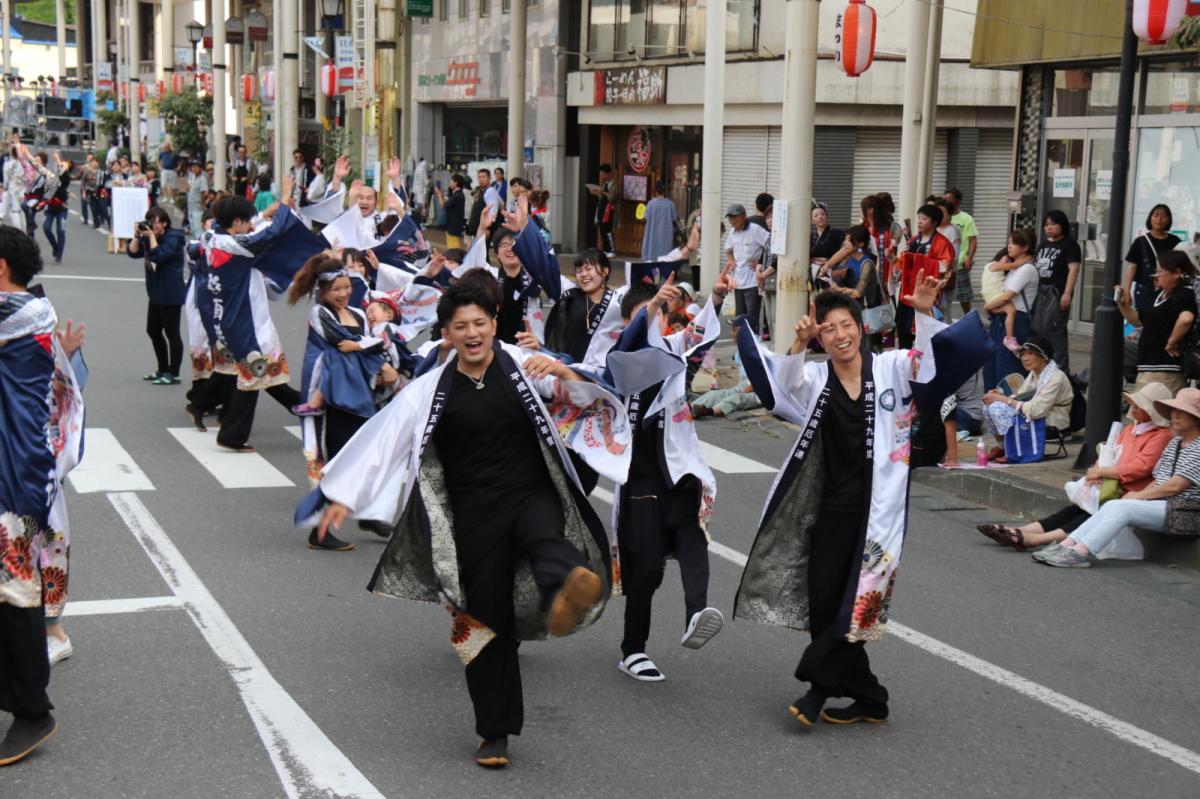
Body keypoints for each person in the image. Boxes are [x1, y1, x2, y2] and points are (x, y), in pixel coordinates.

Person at [300, 279, 630, 768]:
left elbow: (582, 402)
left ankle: (567, 587)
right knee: (482, 620)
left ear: (495, 325)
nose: (472, 333)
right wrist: (343, 495)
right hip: (473, 514)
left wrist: (561, 369)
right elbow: (383, 441)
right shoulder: (430, 390)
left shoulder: (522, 367)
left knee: (544, 536)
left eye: (480, 323)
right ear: (448, 335)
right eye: (461, 326)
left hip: (529, 493)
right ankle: (494, 732)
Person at [734, 273, 991, 728]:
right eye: (828, 329)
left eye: (845, 325)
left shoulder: (891, 366)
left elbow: (932, 368)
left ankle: (817, 689)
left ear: (860, 327)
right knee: (824, 600)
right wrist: (799, 346)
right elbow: (780, 392)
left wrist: (927, 314)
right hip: (829, 508)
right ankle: (871, 698)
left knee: (857, 601)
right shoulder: (816, 377)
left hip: (879, 512)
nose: (839, 335)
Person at [602, 274, 733, 681]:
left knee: (692, 534)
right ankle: (633, 649)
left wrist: (716, 295)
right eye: (645, 316)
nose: (653, 322)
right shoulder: (617, 357)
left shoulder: (674, 349)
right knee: (646, 567)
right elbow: (621, 358)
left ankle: (697, 612)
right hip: (639, 475)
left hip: (678, 468)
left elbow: (700, 337)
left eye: (658, 315)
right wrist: (651, 308)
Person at [0, 225, 87, 766]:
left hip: (10, 482)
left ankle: (32, 711)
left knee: (16, 598)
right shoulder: (28, 318)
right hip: (15, 474)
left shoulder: (17, 321)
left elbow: (38, 416)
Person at [978, 382, 1173, 551]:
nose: (1133, 408)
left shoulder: (1161, 436)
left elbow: (1140, 468)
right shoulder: (1130, 429)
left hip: (1129, 489)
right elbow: (1111, 453)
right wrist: (1097, 472)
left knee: (1088, 513)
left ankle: (1035, 538)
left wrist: (1099, 472)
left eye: (1139, 405)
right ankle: (1022, 531)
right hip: (1111, 484)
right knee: (1074, 509)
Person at [288, 255, 398, 550]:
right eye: (336, 288)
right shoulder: (319, 314)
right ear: (322, 289)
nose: (343, 293)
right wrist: (370, 347)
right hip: (325, 390)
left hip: (356, 390)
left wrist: (372, 352)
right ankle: (319, 530)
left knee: (362, 453)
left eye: (347, 286)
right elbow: (342, 343)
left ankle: (366, 512)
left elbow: (371, 344)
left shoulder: (357, 314)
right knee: (327, 457)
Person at [202, 188, 324, 451]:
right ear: (236, 223)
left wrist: (261, 215)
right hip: (245, 322)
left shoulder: (211, 236)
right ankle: (231, 435)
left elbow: (250, 232)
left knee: (261, 373)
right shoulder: (237, 245)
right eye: (245, 220)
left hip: (225, 319)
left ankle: (301, 405)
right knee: (255, 375)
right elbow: (270, 234)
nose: (249, 225)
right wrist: (283, 205)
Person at [1036, 387, 1200, 568]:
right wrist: (1140, 497)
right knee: (1115, 504)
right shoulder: (1176, 442)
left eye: (1182, 412)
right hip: (1167, 507)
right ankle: (1067, 545)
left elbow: (1175, 486)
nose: (1174, 416)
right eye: (1174, 411)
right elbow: (1159, 480)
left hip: (1186, 512)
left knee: (1123, 508)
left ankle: (1079, 552)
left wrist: (1138, 496)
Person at [1116, 249, 1196, 394]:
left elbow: (1186, 318)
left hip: (1165, 370)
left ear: (1177, 272)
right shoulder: (1161, 294)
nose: (1156, 276)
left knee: (1150, 415)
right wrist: (1123, 304)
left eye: (1160, 272)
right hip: (1148, 367)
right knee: (1143, 414)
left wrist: (1172, 341)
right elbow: (1138, 321)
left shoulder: (1184, 292)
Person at [980, 338, 1073, 462]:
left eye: (1030, 354)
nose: (1025, 358)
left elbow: (1036, 411)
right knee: (989, 405)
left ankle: (1014, 452)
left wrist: (1002, 399)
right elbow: (1021, 395)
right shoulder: (1035, 372)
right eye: (1023, 354)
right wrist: (999, 396)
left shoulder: (1056, 378)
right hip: (1039, 410)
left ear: (1043, 357)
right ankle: (1003, 448)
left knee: (999, 408)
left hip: (1054, 416)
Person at [533, 248, 624, 369]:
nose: (583, 274)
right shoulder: (569, 292)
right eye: (579, 271)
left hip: (599, 374)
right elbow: (545, 267)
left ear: (605, 271)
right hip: (567, 370)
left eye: (588, 269)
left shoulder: (618, 300)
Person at [127, 207, 187, 385]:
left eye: (155, 222)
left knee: (172, 333)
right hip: (155, 292)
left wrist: (151, 236)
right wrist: (137, 236)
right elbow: (132, 252)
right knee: (152, 330)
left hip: (170, 292)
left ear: (165, 223)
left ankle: (174, 373)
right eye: (149, 221)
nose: (152, 225)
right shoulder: (149, 236)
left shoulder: (174, 238)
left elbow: (159, 256)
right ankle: (162, 369)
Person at [981, 230, 1039, 388]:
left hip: (1016, 322)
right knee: (991, 367)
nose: (1009, 246)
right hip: (1001, 319)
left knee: (1007, 369)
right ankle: (992, 407)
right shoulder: (1013, 268)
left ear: (1025, 247)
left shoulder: (1027, 269)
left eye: (1013, 243)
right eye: (1009, 242)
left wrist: (987, 307)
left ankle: (1008, 408)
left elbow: (1007, 296)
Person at [895, 204, 955, 348]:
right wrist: (897, 258)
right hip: (907, 292)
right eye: (919, 218)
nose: (920, 221)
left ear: (934, 222)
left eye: (924, 218)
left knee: (925, 334)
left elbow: (945, 267)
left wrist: (920, 260)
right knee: (904, 330)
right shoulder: (913, 240)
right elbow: (902, 263)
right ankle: (905, 362)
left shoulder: (943, 243)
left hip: (926, 294)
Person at [1031, 209, 1081, 372]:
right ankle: (1041, 370)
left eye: (1053, 224)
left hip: (1057, 294)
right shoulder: (1043, 244)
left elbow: (1073, 270)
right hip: (1040, 294)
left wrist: (1067, 293)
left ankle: (1061, 373)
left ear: (1062, 225)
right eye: (1046, 225)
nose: (1049, 228)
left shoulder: (1070, 245)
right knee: (1038, 331)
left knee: (1055, 333)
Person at [1124, 203, 1182, 319]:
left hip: (1168, 289)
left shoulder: (1175, 241)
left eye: (1164, 216)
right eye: (1156, 215)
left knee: (1165, 321)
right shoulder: (1140, 241)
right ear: (1150, 218)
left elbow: (1180, 266)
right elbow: (1132, 267)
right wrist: (1127, 291)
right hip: (1145, 288)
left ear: (1169, 220)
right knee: (1144, 320)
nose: (1159, 219)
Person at [723, 203, 771, 335]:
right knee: (739, 317)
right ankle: (741, 347)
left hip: (753, 281)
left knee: (751, 317)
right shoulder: (732, 232)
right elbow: (728, 249)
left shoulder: (755, 230)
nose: (732, 221)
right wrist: (731, 260)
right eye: (730, 218)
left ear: (743, 217)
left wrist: (760, 262)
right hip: (738, 280)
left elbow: (770, 245)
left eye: (735, 217)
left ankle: (753, 345)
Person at [938, 371, 985, 468]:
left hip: (968, 417)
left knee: (938, 411)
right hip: (975, 418)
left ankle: (950, 457)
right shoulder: (974, 366)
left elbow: (947, 400)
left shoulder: (960, 371)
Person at [944, 188, 979, 316]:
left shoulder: (966, 219)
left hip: (960, 263)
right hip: (944, 263)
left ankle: (969, 317)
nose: (947, 202)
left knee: (964, 295)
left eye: (950, 200)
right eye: (945, 199)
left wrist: (969, 258)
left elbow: (973, 240)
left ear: (958, 202)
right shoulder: (943, 218)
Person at [40, 156, 71, 264]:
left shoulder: (66, 179)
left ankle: (59, 254)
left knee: (60, 231)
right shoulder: (51, 177)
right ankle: (54, 246)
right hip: (50, 207)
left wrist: (59, 160)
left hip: (62, 208)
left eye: (64, 166)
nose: (61, 166)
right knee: (46, 228)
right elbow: (39, 168)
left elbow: (63, 172)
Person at [641, 181, 678, 262]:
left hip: (652, 240)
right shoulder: (670, 204)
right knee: (665, 262)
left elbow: (645, 218)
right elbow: (675, 219)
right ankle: (664, 274)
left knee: (653, 266)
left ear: (655, 192)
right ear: (665, 191)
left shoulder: (650, 204)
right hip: (666, 239)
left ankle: (656, 274)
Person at [589, 163, 617, 256]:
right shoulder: (605, 183)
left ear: (607, 173)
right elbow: (602, 197)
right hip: (602, 209)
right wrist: (596, 193)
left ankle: (611, 249)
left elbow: (612, 197)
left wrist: (603, 192)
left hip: (608, 210)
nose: (602, 176)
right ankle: (605, 249)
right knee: (602, 230)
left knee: (607, 229)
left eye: (603, 174)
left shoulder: (613, 184)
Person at [439, 173, 468, 249]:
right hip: (454, 226)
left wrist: (439, 195)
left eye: (451, 182)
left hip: (453, 227)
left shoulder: (456, 196)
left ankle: (455, 260)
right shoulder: (458, 194)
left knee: (453, 249)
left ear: (456, 183)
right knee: (454, 246)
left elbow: (443, 205)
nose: (450, 184)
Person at [467, 167, 492, 243]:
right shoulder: (479, 191)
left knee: (482, 253)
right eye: (479, 177)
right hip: (475, 228)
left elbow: (492, 213)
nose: (481, 179)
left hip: (484, 229)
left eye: (483, 177)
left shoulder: (491, 192)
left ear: (489, 178)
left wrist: (487, 228)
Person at [187, 161, 208, 235]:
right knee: (193, 229)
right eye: (192, 167)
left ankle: (201, 246)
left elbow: (205, 193)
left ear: (200, 168)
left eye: (196, 167)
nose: (194, 169)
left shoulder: (202, 178)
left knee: (198, 229)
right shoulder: (193, 177)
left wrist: (202, 203)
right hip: (191, 207)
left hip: (198, 208)